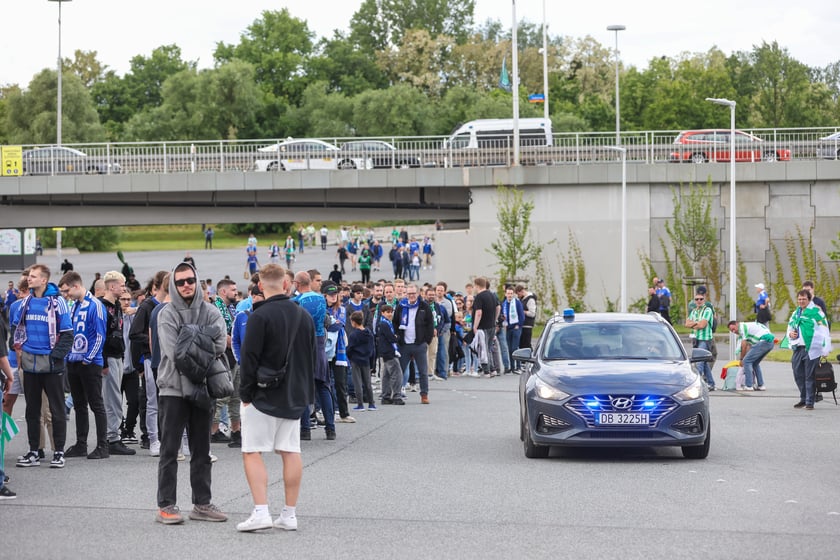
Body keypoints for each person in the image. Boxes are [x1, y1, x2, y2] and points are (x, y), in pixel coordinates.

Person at [236, 264, 315, 532]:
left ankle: (261, 511)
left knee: (252, 451)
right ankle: (289, 514)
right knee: (291, 451)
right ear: (286, 284)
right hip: (294, 394)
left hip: (262, 393)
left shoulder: (259, 316)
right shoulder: (303, 315)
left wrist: (245, 393)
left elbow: (249, 359)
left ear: (260, 286)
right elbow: (309, 357)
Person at [155, 262, 228, 525]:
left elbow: (221, 342)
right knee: (169, 450)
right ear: (173, 286)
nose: (186, 285)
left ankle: (202, 503)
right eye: (180, 281)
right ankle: (166, 505)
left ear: (197, 281)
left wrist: (190, 338)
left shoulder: (210, 311)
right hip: (173, 389)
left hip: (203, 389)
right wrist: (202, 339)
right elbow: (175, 352)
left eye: (189, 280)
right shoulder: (166, 313)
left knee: (202, 450)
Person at [11, 264, 73, 468]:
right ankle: (33, 451)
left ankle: (59, 452)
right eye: (29, 275)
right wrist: (21, 350)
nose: (29, 279)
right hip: (30, 366)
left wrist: (55, 358)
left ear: (44, 280)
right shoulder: (24, 303)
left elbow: (67, 335)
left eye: (34, 276)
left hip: (52, 366)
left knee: (56, 410)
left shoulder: (58, 303)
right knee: (31, 410)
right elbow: (16, 330)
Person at [59, 271, 110, 460]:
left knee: (96, 404)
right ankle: (81, 444)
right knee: (79, 405)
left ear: (76, 286)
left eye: (66, 291)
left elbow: (99, 335)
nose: (66, 295)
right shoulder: (74, 306)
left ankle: (103, 446)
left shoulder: (95, 305)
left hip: (89, 363)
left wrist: (88, 358)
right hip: (73, 362)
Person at [787, 289, 829, 410]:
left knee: (809, 376)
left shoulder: (816, 312)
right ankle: (803, 398)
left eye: (804, 299)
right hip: (798, 348)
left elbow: (824, 329)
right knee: (797, 374)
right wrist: (790, 334)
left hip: (812, 348)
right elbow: (790, 326)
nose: (801, 301)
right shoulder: (796, 313)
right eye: (799, 299)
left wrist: (825, 348)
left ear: (809, 299)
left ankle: (810, 401)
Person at [394, 283, 435, 404]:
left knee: (422, 371)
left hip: (419, 344)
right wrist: (398, 338)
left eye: (413, 293)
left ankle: (424, 394)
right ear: (406, 294)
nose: (411, 296)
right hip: (404, 344)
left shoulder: (424, 307)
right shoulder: (401, 306)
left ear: (418, 293)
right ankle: (397, 393)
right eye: (409, 293)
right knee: (400, 370)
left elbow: (430, 325)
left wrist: (426, 341)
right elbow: (395, 322)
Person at [728, 320, 774, 391]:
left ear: (737, 324)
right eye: (731, 331)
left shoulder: (742, 327)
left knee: (746, 361)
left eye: (733, 329)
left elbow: (744, 345)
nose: (734, 332)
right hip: (770, 342)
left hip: (764, 341)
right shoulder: (749, 326)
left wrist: (741, 359)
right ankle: (761, 385)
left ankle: (749, 385)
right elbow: (749, 346)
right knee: (755, 363)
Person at [346, 311, 377, 412]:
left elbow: (349, 349)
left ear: (354, 322)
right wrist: (372, 362)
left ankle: (360, 404)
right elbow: (373, 349)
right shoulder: (369, 334)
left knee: (358, 383)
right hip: (367, 360)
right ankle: (371, 403)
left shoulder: (353, 335)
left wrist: (350, 357)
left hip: (356, 360)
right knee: (368, 383)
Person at [685, 292, 716, 390]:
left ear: (704, 300)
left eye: (701, 299)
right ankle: (711, 383)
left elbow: (703, 325)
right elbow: (686, 324)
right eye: (697, 299)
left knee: (699, 362)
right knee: (704, 362)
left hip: (705, 339)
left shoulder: (707, 310)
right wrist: (697, 323)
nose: (699, 301)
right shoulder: (693, 311)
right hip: (696, 338)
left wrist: (693, 324)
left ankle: (698, 384)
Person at [376, 304, 404, 405]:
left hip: (385, 352)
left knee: (386, 375)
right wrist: (397, 337)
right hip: (389, 351)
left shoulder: (386, 323)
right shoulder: (384, 324)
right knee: (396, 374)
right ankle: (397, 395)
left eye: (391, 312)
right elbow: (391, 338)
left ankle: (386, 396)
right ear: (382, 313)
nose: (390, 314)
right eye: (387, 312)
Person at [502, 286, 525, 372]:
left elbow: (521, 316)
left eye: (511, 293)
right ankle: (512, 367)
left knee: (515, 348)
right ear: (506, 294)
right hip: (507, 328)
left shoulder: (517, 303)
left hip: (516, 328)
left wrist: (518, 325)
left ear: (513, 294)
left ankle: (518, 366)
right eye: (508, 293)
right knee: (509, 348)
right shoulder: (504, 304)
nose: (510, 295)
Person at [516, 285, 537, 350]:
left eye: (518, 294)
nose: (518, 296)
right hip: (523, 325)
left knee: (526, 345)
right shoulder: (523, 299)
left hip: (527, 325)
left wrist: (523, 312)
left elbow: (532, 313)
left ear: (522, 291)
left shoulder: (530, 299)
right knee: (522, 344)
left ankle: (530, 358)